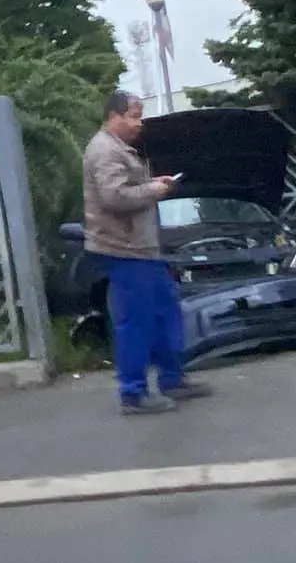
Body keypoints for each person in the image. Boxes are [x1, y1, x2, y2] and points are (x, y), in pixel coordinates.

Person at [83, 90, 213, 414]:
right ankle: (133, 393)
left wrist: (154, 182)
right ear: (114, 116)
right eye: (134, 117)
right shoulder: (104, 151)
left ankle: (172, 379)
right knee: (136, 320)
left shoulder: (116, 148)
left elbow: (125, 187)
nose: (139, 124)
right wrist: (154, 189)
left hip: (141, 248)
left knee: (166, 311)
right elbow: (114, 196)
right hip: (124, 248)